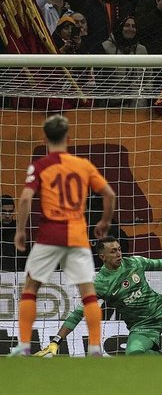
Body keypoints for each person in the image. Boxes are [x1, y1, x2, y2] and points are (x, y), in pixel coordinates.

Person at [10, 115, 117, 357]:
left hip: (48, 236)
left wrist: (20, 230)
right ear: (68, 138)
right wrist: (104, 221)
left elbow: (25, 199)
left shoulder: (40, 166)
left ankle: (24, 346)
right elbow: (109, 194)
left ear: (45, 138)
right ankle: (94, 348)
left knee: (31, 287)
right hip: (77, 237)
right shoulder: (83, 165)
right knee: (88, 292)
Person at [33, 237, 162, 356]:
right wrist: (56, 341)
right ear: (102, 256)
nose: (118, 253)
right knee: (134, 354)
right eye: (113, 251)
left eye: (119, 249)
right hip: (142, 326)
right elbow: (78, 313)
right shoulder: (99, 284)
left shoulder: (135, 263)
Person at [1, 195, 27, 272]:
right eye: (3, 211)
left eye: (10, 212)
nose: (7, 215)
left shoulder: (19, 228)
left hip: (17, 272)